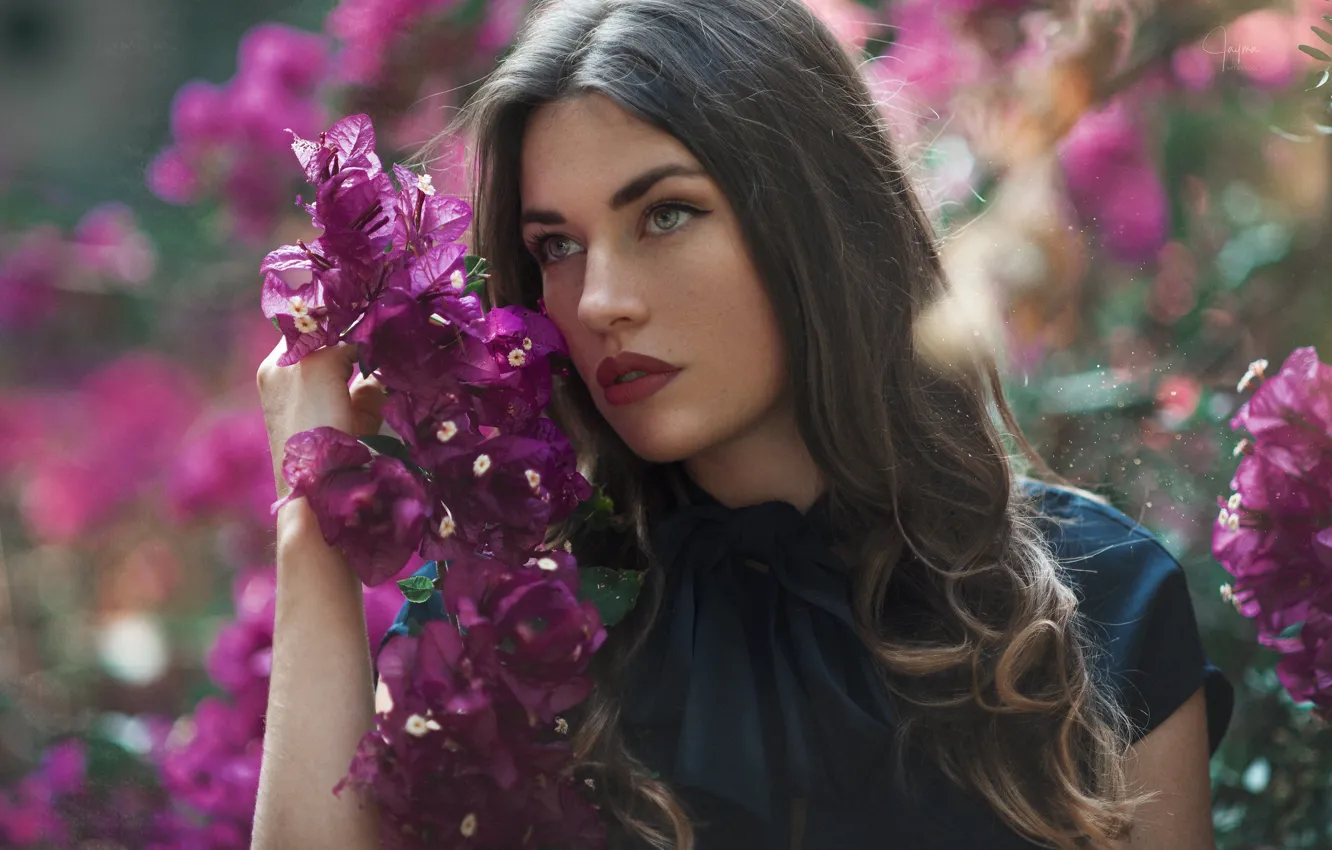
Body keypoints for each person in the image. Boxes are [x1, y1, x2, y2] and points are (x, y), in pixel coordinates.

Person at [253, 0, 1234, 848]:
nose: (599, 301)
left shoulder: (1097, 600)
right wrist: (316, 501)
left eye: (665, 215)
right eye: (555, 244)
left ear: (808, 214)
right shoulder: (516, 637)